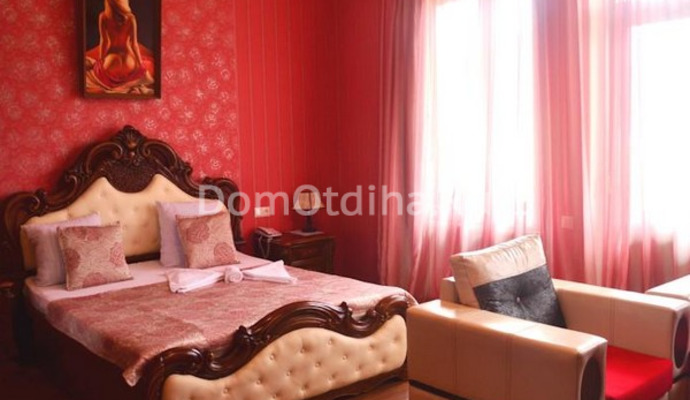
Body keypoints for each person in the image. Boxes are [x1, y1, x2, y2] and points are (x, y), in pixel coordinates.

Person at [84, 0, 154, 95]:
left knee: (93, 72)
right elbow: (134, 44)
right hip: (129, 62)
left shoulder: (103, 17)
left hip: (111, 62)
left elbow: (104, 41)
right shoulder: (131, 18)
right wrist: (140, 63)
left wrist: (101, 60)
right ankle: (127, 83)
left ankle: (115, 85)